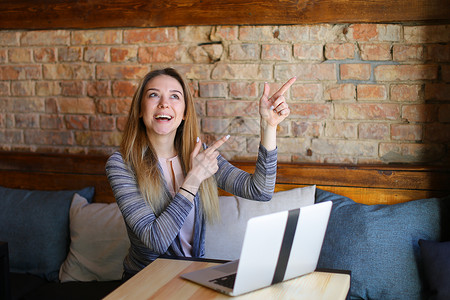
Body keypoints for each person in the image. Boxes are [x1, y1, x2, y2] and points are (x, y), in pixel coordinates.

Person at [106, 67, 296, 280]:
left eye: (174, 96)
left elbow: (260, 191)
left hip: (191, 278)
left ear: (185, 112)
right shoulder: (121, 164)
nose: (164, 103)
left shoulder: (201, 154)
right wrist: (194, 179)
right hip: (144, 282)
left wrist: (268, 126)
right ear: (140, 109)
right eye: (153, 95)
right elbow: (156, 241)